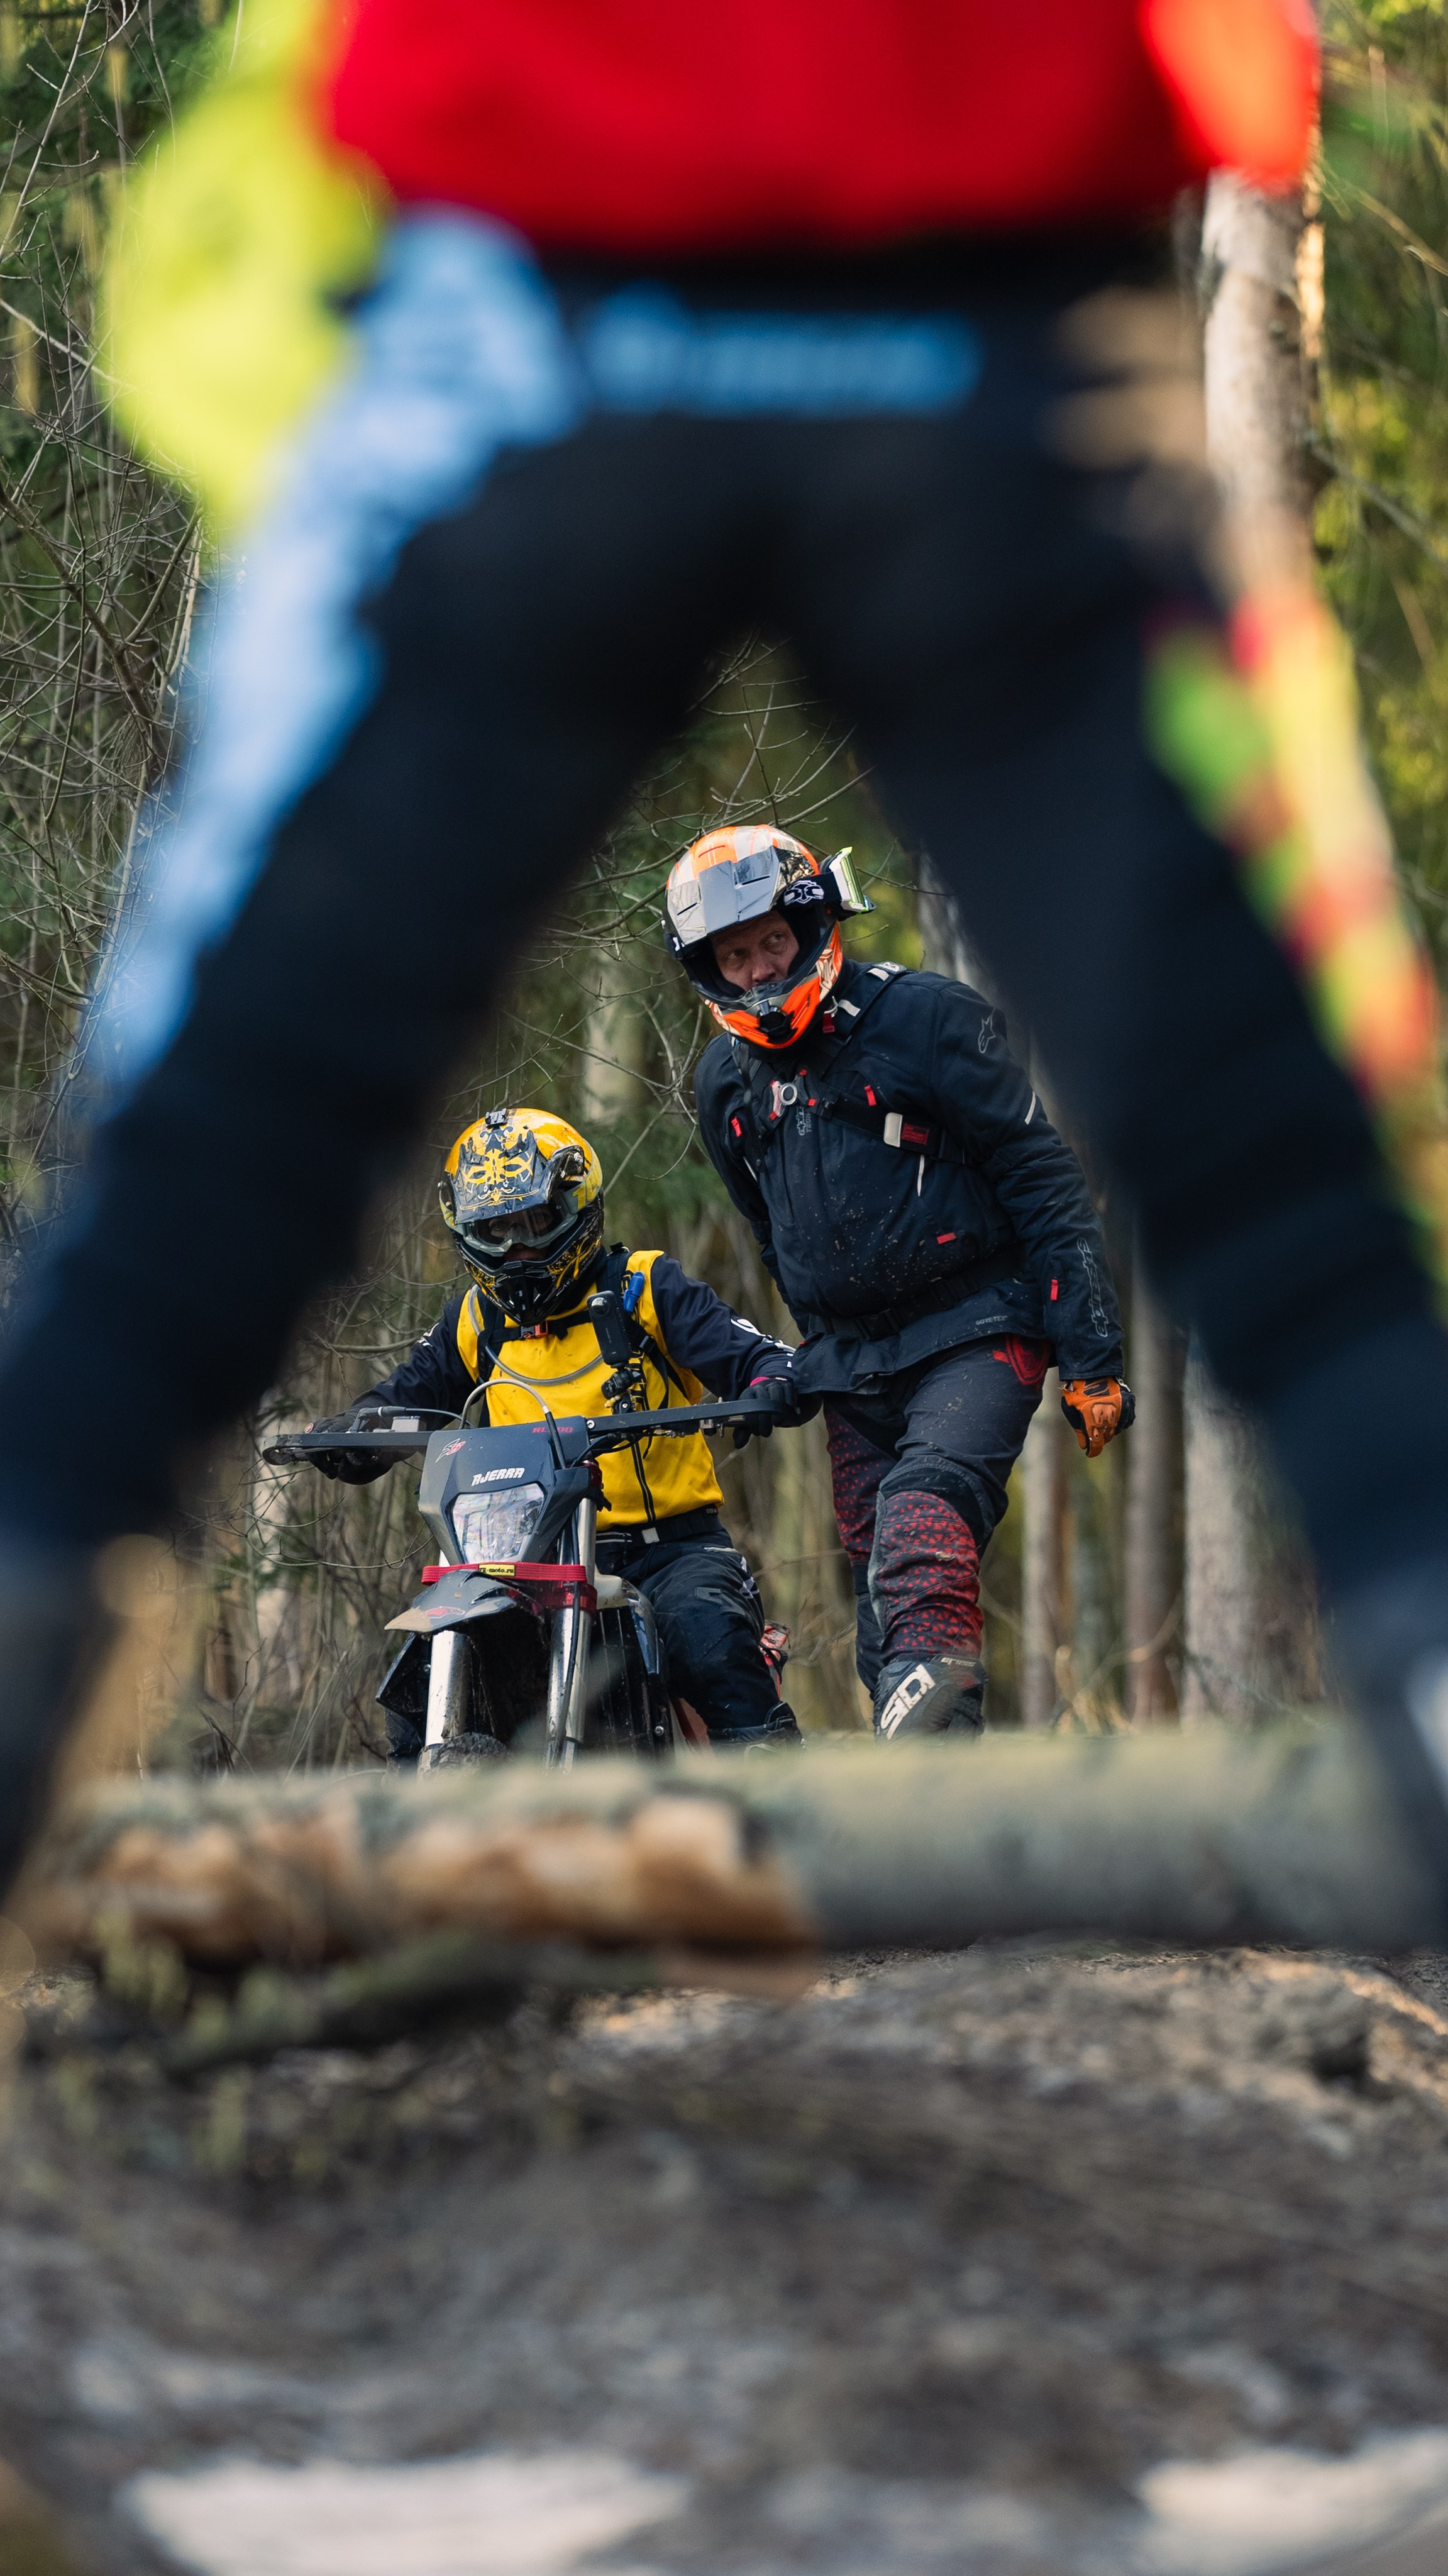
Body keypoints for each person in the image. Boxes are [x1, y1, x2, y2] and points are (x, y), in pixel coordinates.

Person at [4, 2, 1448, 1907]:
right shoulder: (702, 1097)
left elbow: (986, 1183)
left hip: (535, 277)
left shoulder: (894, 1031)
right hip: (981, 292)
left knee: (218, 1129)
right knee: (1269, 1143)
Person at [671, 825, 1130, 1737]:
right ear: (710, 969)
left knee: (921, 1524)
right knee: (882, 1621)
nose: (760, 968)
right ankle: (946, 1826)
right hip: (852, 1366)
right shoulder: (722, 1083)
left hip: (977, 1327)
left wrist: (1089, 1351)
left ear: (813, 926)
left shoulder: (925, 1017)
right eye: (735, 954)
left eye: (771, 940)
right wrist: (809, 1356)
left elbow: (1039, 1174)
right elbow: (771, 1230)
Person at [307, 1108, 805, 1753]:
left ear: (575, 1208)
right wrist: (351, 1433)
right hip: (525, 1563)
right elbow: (406, 1398)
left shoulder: (646, 1287)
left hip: (670, 1553)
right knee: (423, 1664)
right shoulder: (473, 1318)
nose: (515, 1247)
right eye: (494, 1228)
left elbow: (755, 1355)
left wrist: (767, 1385)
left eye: (533, 1223)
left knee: (710, 1638)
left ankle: (773, 1802)